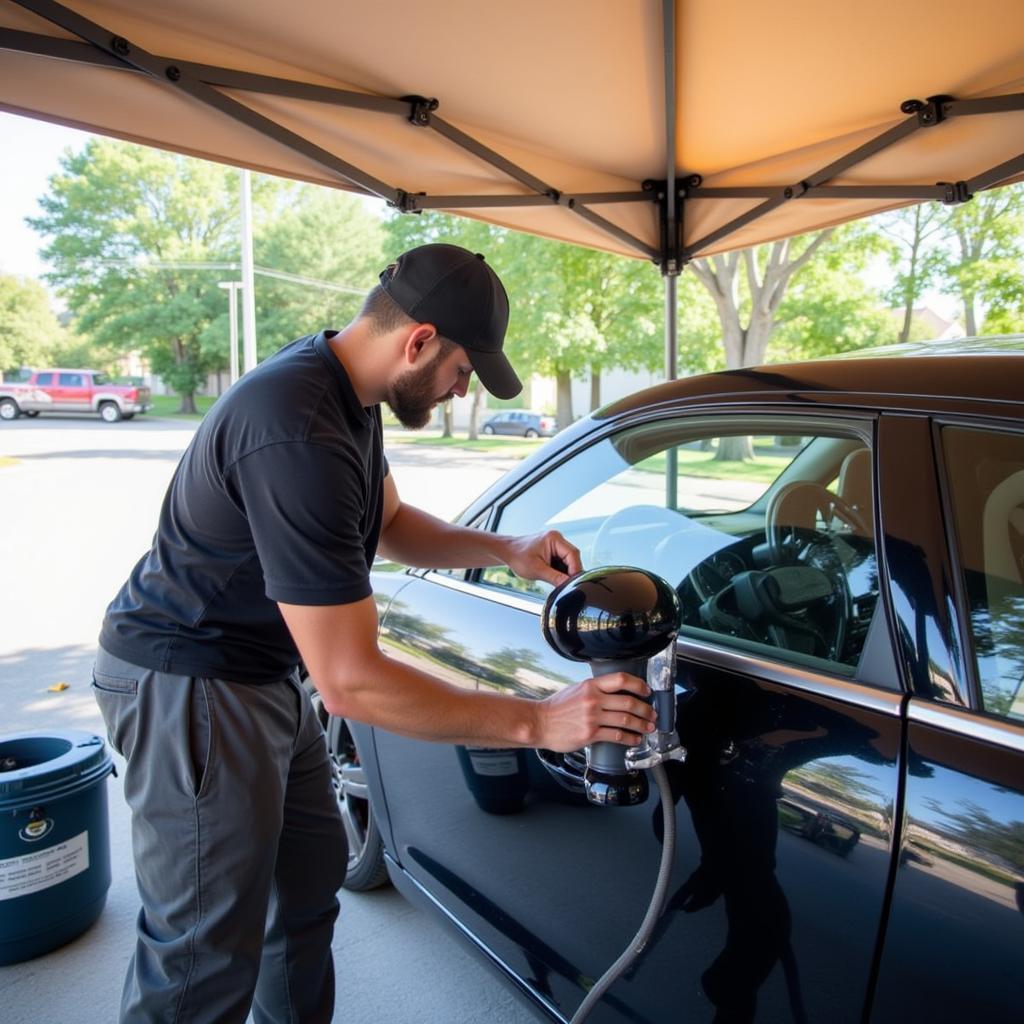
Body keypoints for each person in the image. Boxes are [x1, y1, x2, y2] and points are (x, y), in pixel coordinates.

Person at [91, 243, 655, 1024]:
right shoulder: (294, 425)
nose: (463, 391)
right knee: (202, 949)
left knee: (305, 896)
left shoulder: (348, 394)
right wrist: (539, 722)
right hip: (187, 683)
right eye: (464, 370)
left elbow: (385, 522)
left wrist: (505, 551)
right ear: (418, 340)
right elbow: (351, 680)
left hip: (262, 676)